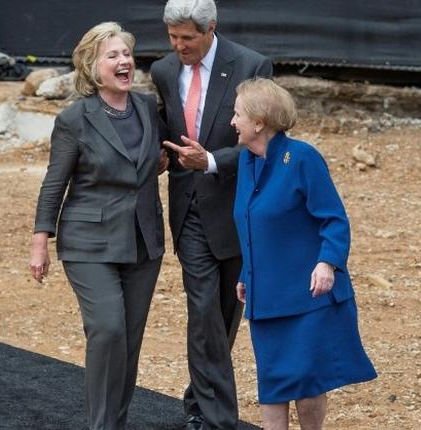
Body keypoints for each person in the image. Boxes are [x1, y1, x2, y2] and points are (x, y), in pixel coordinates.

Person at [28, 22, 165, 430]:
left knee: (129, 342)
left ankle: (115, 423)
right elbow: (55, 183)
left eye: (126, 54)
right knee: (107, 330)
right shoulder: (74, 119)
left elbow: (155, 159)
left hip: (143, 240)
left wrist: (165, 161)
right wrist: (40, 242)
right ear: (91, 66)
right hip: (88, 242)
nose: (124, 62)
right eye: (113, 56)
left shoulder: (148, 107)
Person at [149, 1, 273, 429]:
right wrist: (159, 157)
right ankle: (217, 419)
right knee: (203, 311)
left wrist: (213, 161)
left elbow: (266, 140)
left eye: (187, 38)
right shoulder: (165, 71)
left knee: (222, 314)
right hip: (189, 212)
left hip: (238, 211)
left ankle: (199, 401)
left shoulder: (252, 66)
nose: (178, 46)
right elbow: (165, 131)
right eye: (172, 37)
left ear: (211, 29)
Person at [231, 78, 377, 430]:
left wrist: (328, 263)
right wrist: (246, 274)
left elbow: (334, 219)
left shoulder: (302, 158)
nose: (232, 122)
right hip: (266, 298)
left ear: (259, 122)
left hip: (309, 296)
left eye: (237, 115)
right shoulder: (246, 163)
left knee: (308, 384)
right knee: (272, 383)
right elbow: (253, 226)